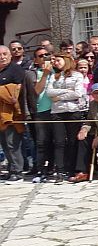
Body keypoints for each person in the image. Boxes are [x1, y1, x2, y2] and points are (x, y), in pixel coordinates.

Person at [46, 53, 88, 183]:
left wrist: (58, 97)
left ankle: (71, 168)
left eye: (58, 60)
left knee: (72, 141)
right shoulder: (54, 76)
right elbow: (49, 92)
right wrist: (67, 93)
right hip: (57, 112)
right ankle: (59, 169)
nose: (55, 63)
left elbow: (78, 93)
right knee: (59, 142)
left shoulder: (77, 75)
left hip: (73, 111)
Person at [24, 47, 53, 181]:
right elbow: (36, 91)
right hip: (40, 112)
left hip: (56, 111)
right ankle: (41, 169)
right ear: (35, 59)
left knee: (56, 141)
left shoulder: (57, 70)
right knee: (41, 142)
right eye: (41, 56)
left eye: (47, 54)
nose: (44, 57)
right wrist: (45, 74)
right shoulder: (31, 74)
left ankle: (54, 167)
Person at [0, 45, 26, 181]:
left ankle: (18, 170)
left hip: (12, 114)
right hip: (0, 115)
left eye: (5, 54)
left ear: (10, 56)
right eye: (0, 54)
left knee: (13, 143)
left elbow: (15, 92)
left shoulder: (16, 70)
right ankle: (11, 168)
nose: (2, 57)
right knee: (4, 143)